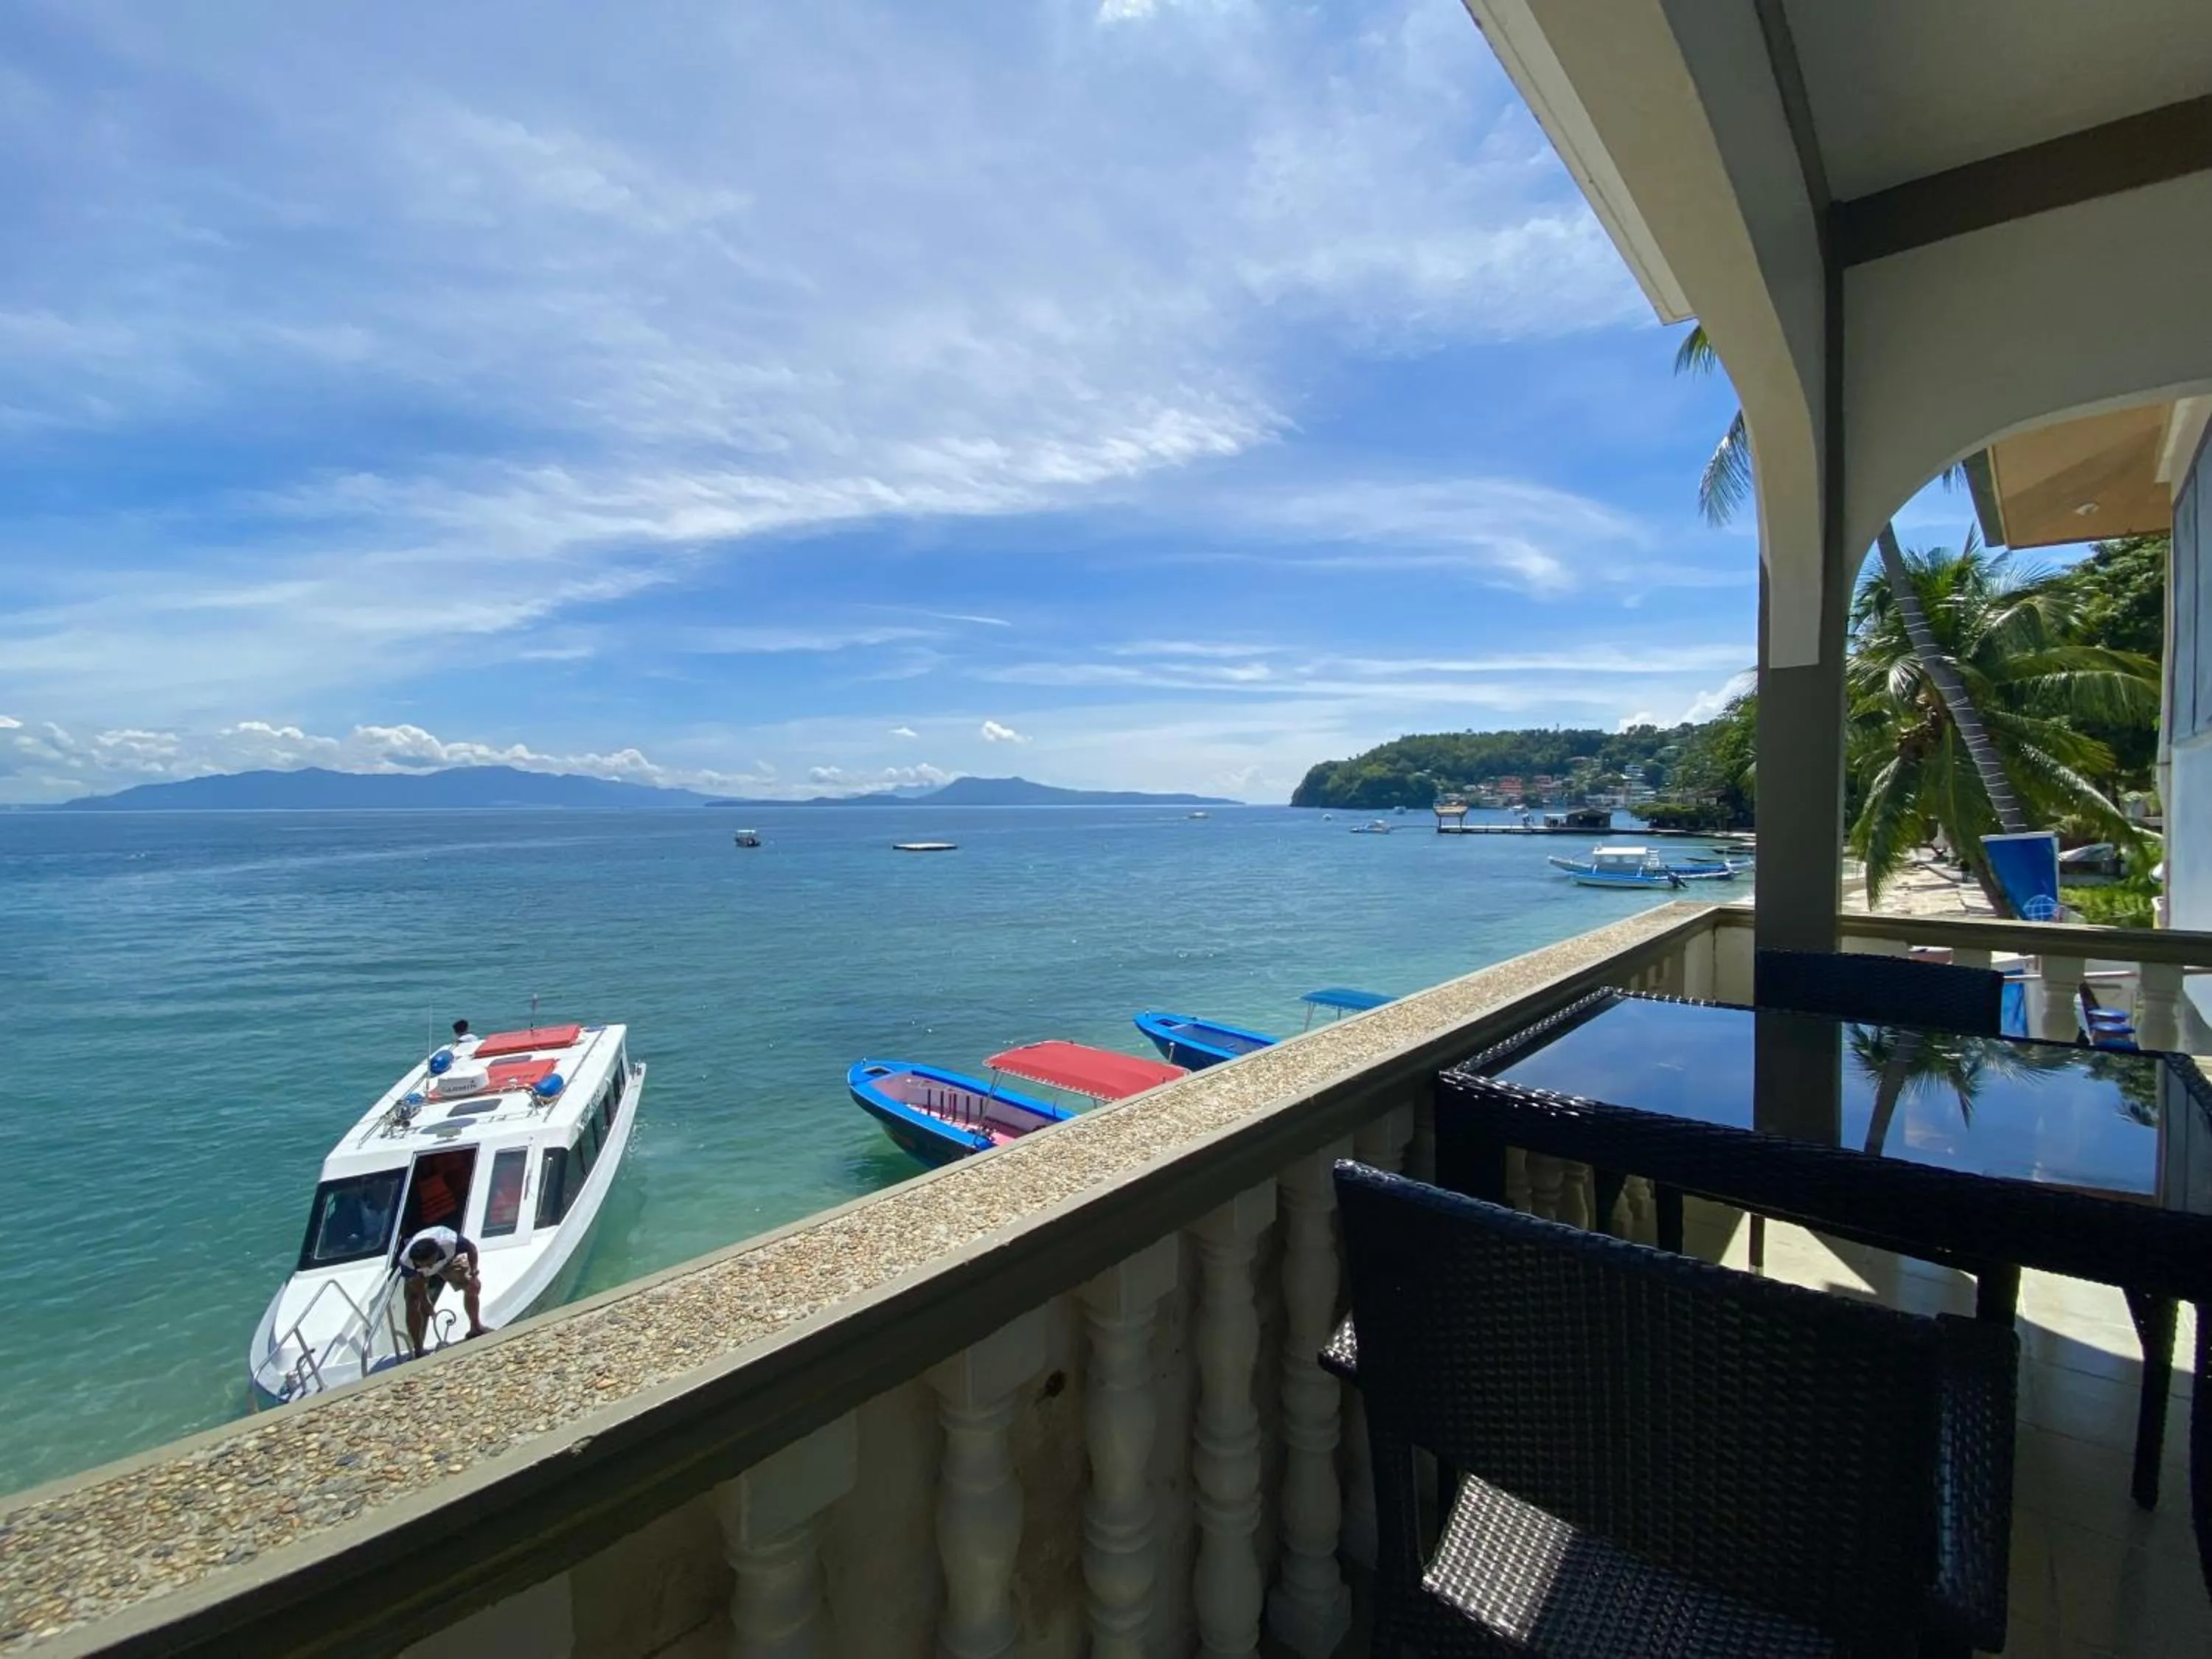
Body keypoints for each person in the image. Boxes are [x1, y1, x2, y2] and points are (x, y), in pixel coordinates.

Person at [399, 1225, 487, 1352]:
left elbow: (471, 1248)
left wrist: (473, 1273)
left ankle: (476, 1327)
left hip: (448, 1261)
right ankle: (418, 1348)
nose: (430, 1268)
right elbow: (415, 1283)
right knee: (413, 1301)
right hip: (418, 1275)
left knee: (472, 1286)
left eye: (430, 1263)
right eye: (424, 1265)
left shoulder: (451, 1242)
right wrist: (425, 1301)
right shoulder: (406, 1262)